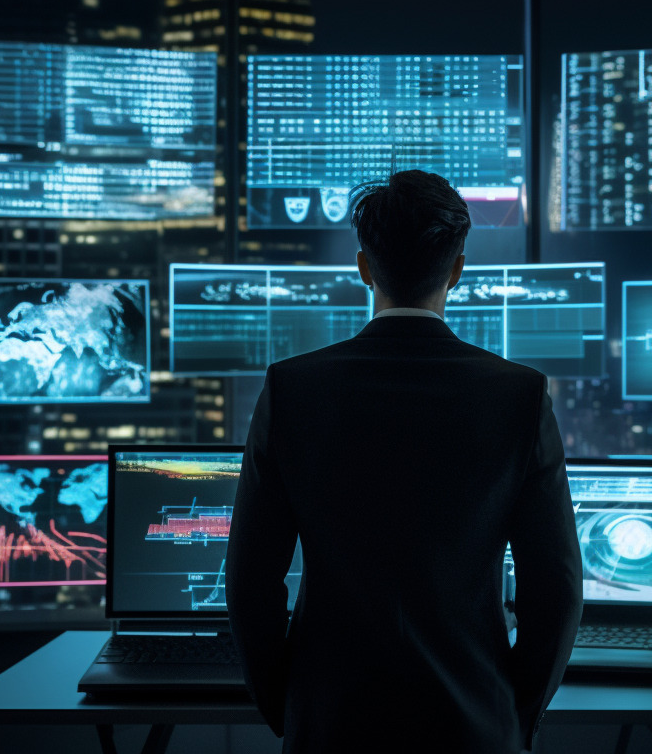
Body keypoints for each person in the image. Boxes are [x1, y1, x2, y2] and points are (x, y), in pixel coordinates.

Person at [226, 169, 583, 753]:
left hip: (331, 723)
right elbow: (557, 588)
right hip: (474, 725)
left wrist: (288, 706)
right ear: (457, 271)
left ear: (364, 268)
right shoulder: (519, 395)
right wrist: (511, 717)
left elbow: (249, 583)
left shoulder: (293, 389)